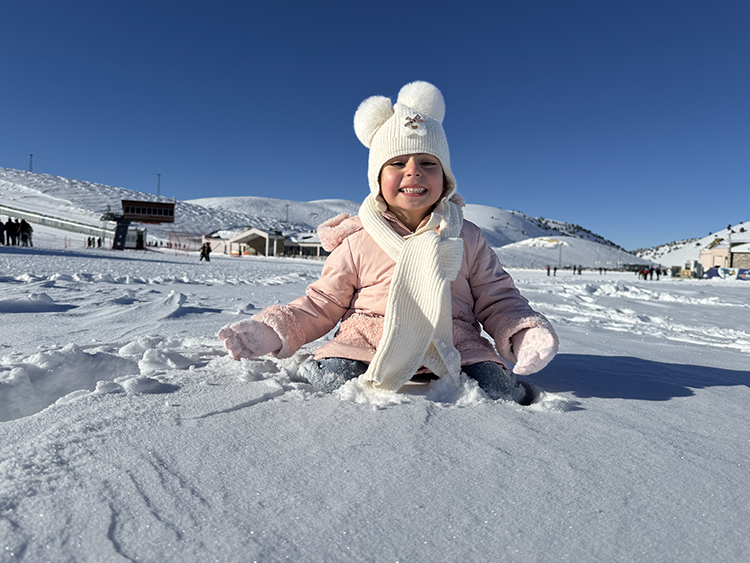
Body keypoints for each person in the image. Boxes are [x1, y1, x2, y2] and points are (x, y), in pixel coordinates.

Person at [218, 81, 559, 405]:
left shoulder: (466, 236)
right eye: (397, 163)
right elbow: (322, 302)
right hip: (367, 341)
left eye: (428, 163)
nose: (413, 171)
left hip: (453, 341)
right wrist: (274, 329)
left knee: (498, 388)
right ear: (377, 179)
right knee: (333, 378)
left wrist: (522, 333)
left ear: (446, 179)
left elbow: (497, 298)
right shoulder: (358, 239)